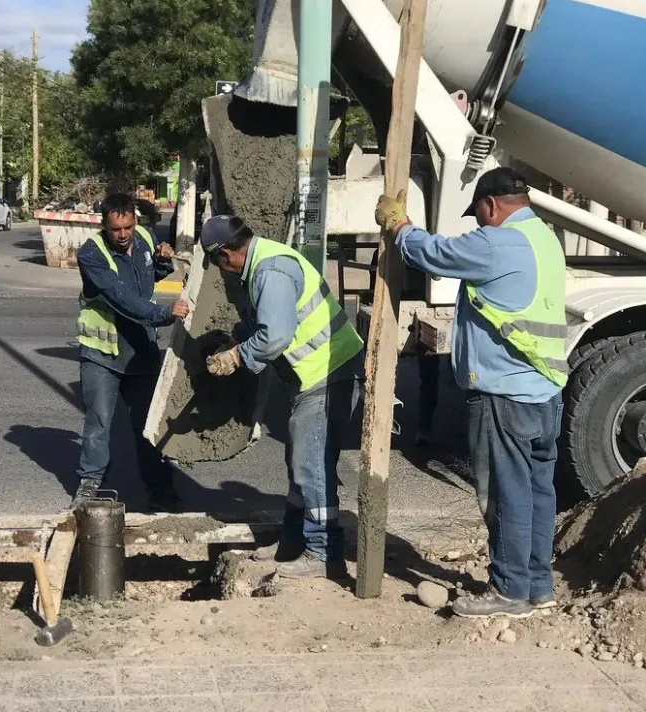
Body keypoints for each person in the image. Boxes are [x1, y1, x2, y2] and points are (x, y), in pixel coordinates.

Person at [375, 168, 567, 618]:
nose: (479, 223)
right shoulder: (545, 239)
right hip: (543, 388)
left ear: (491, 205)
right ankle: (538, 585)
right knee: (538, 491)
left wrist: (399, 227)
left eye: (479, 214)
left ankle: (510, 591)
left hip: (504, 392)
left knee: (505, 494)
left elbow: (436, 254)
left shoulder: (498, 242)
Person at [200, 216, 364, 580]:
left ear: (226, 254)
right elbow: (263, 322)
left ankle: (323, 551)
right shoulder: (261, 266)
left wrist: (237, 356)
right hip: (315, 375)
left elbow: (274, 336)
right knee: (299, 461)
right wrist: (236, 340)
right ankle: (293, 539)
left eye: (215, 262)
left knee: (312, 463)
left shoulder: (270, 272)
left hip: (329, 370)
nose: (218, 270)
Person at [72, 193, 190, 511]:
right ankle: (90, 486)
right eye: (116, 230)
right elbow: (122, 297)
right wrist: (163, 314)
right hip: (103, 355)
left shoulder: (144, 239)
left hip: (140, 351)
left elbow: (147, 277)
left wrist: (163, 261)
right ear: (104, 226)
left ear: (135, 222)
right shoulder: (91, 255)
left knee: (148, 425)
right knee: (99, 422)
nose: (123, 235)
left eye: (128, 227)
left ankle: (161, 490)